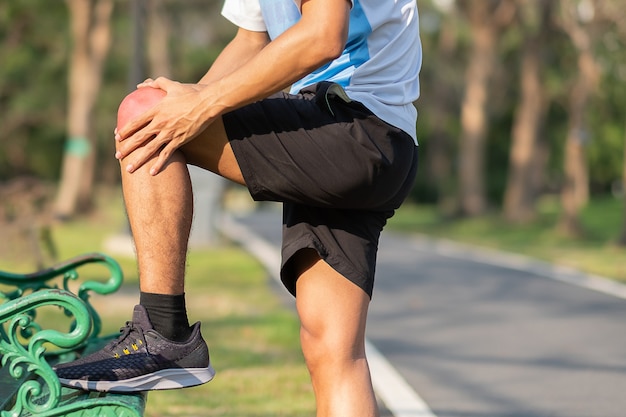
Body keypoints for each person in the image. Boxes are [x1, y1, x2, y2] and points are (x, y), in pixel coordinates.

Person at [55, 0, 422, 415]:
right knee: (333, 353)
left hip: (353, 130)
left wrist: (196, 108)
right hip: (370, 141)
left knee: (142, 116)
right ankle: (163, 335)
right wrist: (187, 108)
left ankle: (163, 329)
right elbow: (251, 40)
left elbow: (323, 36)